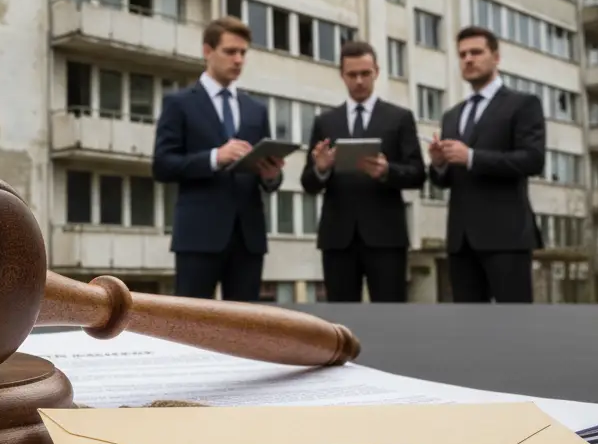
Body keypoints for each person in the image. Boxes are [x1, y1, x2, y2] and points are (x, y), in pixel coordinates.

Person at [152, 16, 284, 301]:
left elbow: (269, 178)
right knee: (189, 325)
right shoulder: (179, 103)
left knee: (245, 328)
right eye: (230, 51)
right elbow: (162, 164)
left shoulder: (256, 110)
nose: (238, 59)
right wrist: (215, 157)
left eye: (243, 53)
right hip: (198, 235)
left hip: (248, 238)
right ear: (207, 51)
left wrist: (272, 176)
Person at [301, 40, 426, 302]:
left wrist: (386, 171)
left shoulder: (399, 118)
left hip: (386, 236)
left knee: (391, 318)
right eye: (352, 74)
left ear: (377, 72)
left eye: (365, 74)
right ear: (341, 75)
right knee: (343, 321)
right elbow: (308, 183)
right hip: (338, 237)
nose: (359, 81)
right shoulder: (325, 122)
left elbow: (417, 174)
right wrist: (321, 168)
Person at [428, 25, 545, 303]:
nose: (468, 59)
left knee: (515, 329)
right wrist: (439, 164)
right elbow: (444, 180)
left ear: (496, 56)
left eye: (476, 52)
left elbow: (532, 159)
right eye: (462, 54)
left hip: (507, 237)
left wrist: (471, 157)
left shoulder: (523, 104)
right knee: (469, 331)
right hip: (461, 240)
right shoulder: (452, 115)